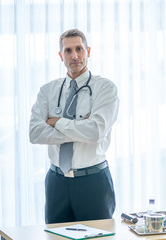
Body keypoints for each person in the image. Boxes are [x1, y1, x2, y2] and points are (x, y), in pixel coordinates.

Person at [29, 29, 119, 224]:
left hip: (93, 181)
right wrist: (80, 129)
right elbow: (35, 133)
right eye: (68, 50)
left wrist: (57, 122)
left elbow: (96, 131)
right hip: (57, 182)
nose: (74, 55)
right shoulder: (47, 91)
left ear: (88, 51)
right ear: (61, 56)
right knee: (55, 237)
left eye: (79, 49)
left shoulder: (105, 88)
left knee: (99, 238)